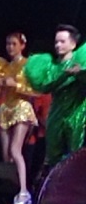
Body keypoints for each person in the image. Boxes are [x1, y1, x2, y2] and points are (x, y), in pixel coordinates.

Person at [0, 32, 38, 204]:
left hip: (21, 107)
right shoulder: (4, 67)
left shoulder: (28, 65)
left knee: (15, 149)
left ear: (22, 45)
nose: (10, 47)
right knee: (6, 155)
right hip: (5, 110)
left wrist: (16, 85)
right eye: (8, 44)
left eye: (14, 44)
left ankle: (24, 191)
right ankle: (10, 191)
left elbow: (36, 90)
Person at [24, 26, 86, 168]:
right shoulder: (51, 67)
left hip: (76, 114)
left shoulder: (81, 62)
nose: (58, 45)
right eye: (56, 42)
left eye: (62, 42)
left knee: (75, 156)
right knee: (53, 156)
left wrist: (79, 73)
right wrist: (65, 74)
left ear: (73, 44)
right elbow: (45, 86)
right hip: (56, 114)